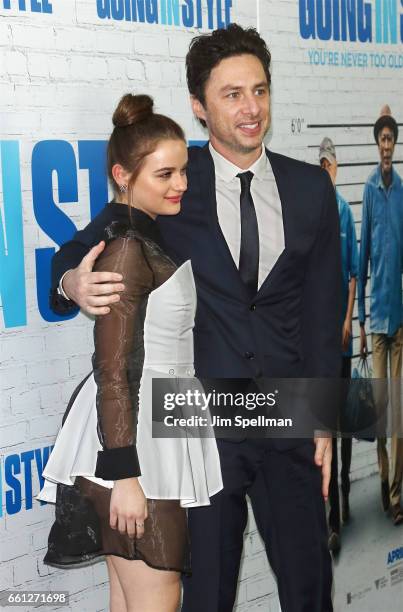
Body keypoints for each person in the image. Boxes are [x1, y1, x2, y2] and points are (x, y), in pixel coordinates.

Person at [48, 24, 342, 612]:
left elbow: (323, 311)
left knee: (311, 590)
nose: (251, 107)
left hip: (288, 421)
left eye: (259, 90)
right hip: (201, 430)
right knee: (207, 595)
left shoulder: (311, 189)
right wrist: (72, 282)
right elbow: (74, 254)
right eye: (232, 94)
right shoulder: (174, 184)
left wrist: (324, 419)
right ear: (198, 106)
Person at [37, 93, 222, 612]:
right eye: (165, 174)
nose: (181, 184)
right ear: (123, 175)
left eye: (183, 170)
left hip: (156, 427)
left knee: (130, 599)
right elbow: (113, 368)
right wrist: (124, 475)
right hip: (136, 440)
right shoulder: (122, 245)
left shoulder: (155, 223)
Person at [358, 105, 403, 527]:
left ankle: (395, 497)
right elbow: (363, 255)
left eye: (391, 139)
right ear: (377, 145)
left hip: (400, 321)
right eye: (382, 139)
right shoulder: (371, 190)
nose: (386, 146)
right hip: (376, 324)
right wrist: (358, 319)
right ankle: (388, 490)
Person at [319, 137, 359, 552]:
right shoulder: (314, 212)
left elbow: (351, 275)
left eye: (331, 165)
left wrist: (348, 319)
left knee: (344, 426)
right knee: (324, 427)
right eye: (322, 165)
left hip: (341, 341)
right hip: (319, 346)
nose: (326, 171)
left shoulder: (345, 212)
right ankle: (329, 520)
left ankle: (343, 503)